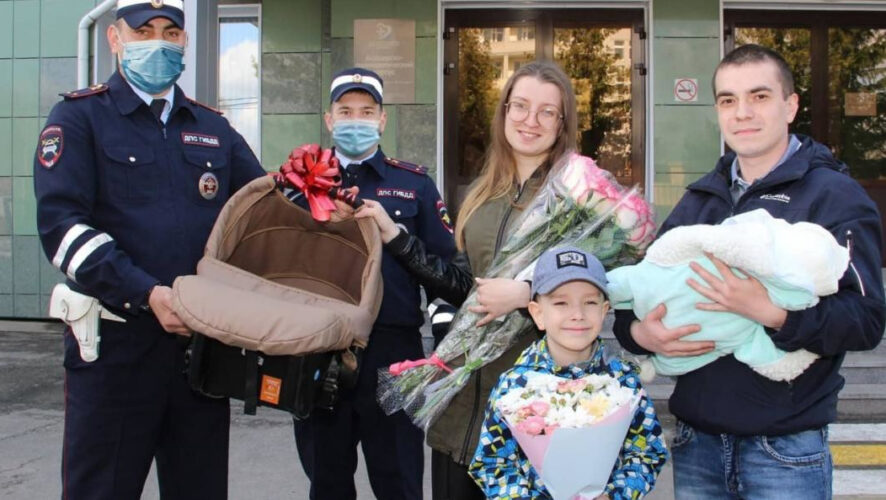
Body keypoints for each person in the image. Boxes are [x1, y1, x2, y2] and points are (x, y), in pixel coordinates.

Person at [613, 44, 885, 499]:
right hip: (696, 442)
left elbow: (867, 320)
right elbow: (638, 290)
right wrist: (641, 335)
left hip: (785, 450)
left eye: (759, 97)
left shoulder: (835, 196)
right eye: (727, 100)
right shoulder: (701, 200)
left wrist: (773, 314)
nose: (742, 113)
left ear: (790, 104)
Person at [33, 0, 266, 498]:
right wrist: (146, 293)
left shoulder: (213, 128)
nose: (158, 42)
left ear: (184, 42)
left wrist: (325, 199)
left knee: (199, 488)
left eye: (170, 32)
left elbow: (264, 209)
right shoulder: (79, 118)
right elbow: (62, 229)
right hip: (116, 350)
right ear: (115, 40)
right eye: (143, 31)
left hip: (200, 353)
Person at [356, 60, 580, 499]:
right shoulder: (481, 193)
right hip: (461, 411)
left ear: (562, 123)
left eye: (546, 111)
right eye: (520, 106)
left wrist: (528, 294)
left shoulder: (576, 196)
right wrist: (396, 237)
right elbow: (462, 286)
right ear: (504, 113)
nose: (530, 120)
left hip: (532, 413)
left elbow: (594, 288)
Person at [290, 67, 458, 500]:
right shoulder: (297, 184)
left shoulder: (413, 184)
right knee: (326, 481)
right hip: (318, 351)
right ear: (328, 120)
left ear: (383, 120)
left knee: (399, 480)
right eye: (345, 111)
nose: (355, 120)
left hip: (393, 352)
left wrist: (445, 346)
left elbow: (446, 272)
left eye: (366, 111)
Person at [467, 246, 668, 499]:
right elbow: (491, 463)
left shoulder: (623, 382)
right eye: (561, 302)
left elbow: (648, 452)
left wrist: (616, 494)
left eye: (590, 302)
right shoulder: (515, 385)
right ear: (537, 313)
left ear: (604, 311)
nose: (578, 315)